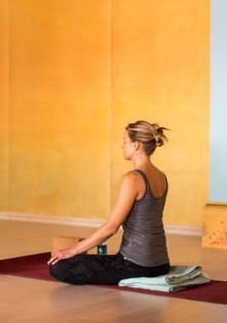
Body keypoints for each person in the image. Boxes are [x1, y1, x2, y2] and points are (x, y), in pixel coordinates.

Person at [48, 121, 171, 284]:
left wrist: (73, 250)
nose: (122, 146)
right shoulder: (161, 176)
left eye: (124, 141)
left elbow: (111, 228)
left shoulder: (133, 178)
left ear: (135, 145)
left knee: (60, 266)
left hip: (136, 264)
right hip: (161, 263)